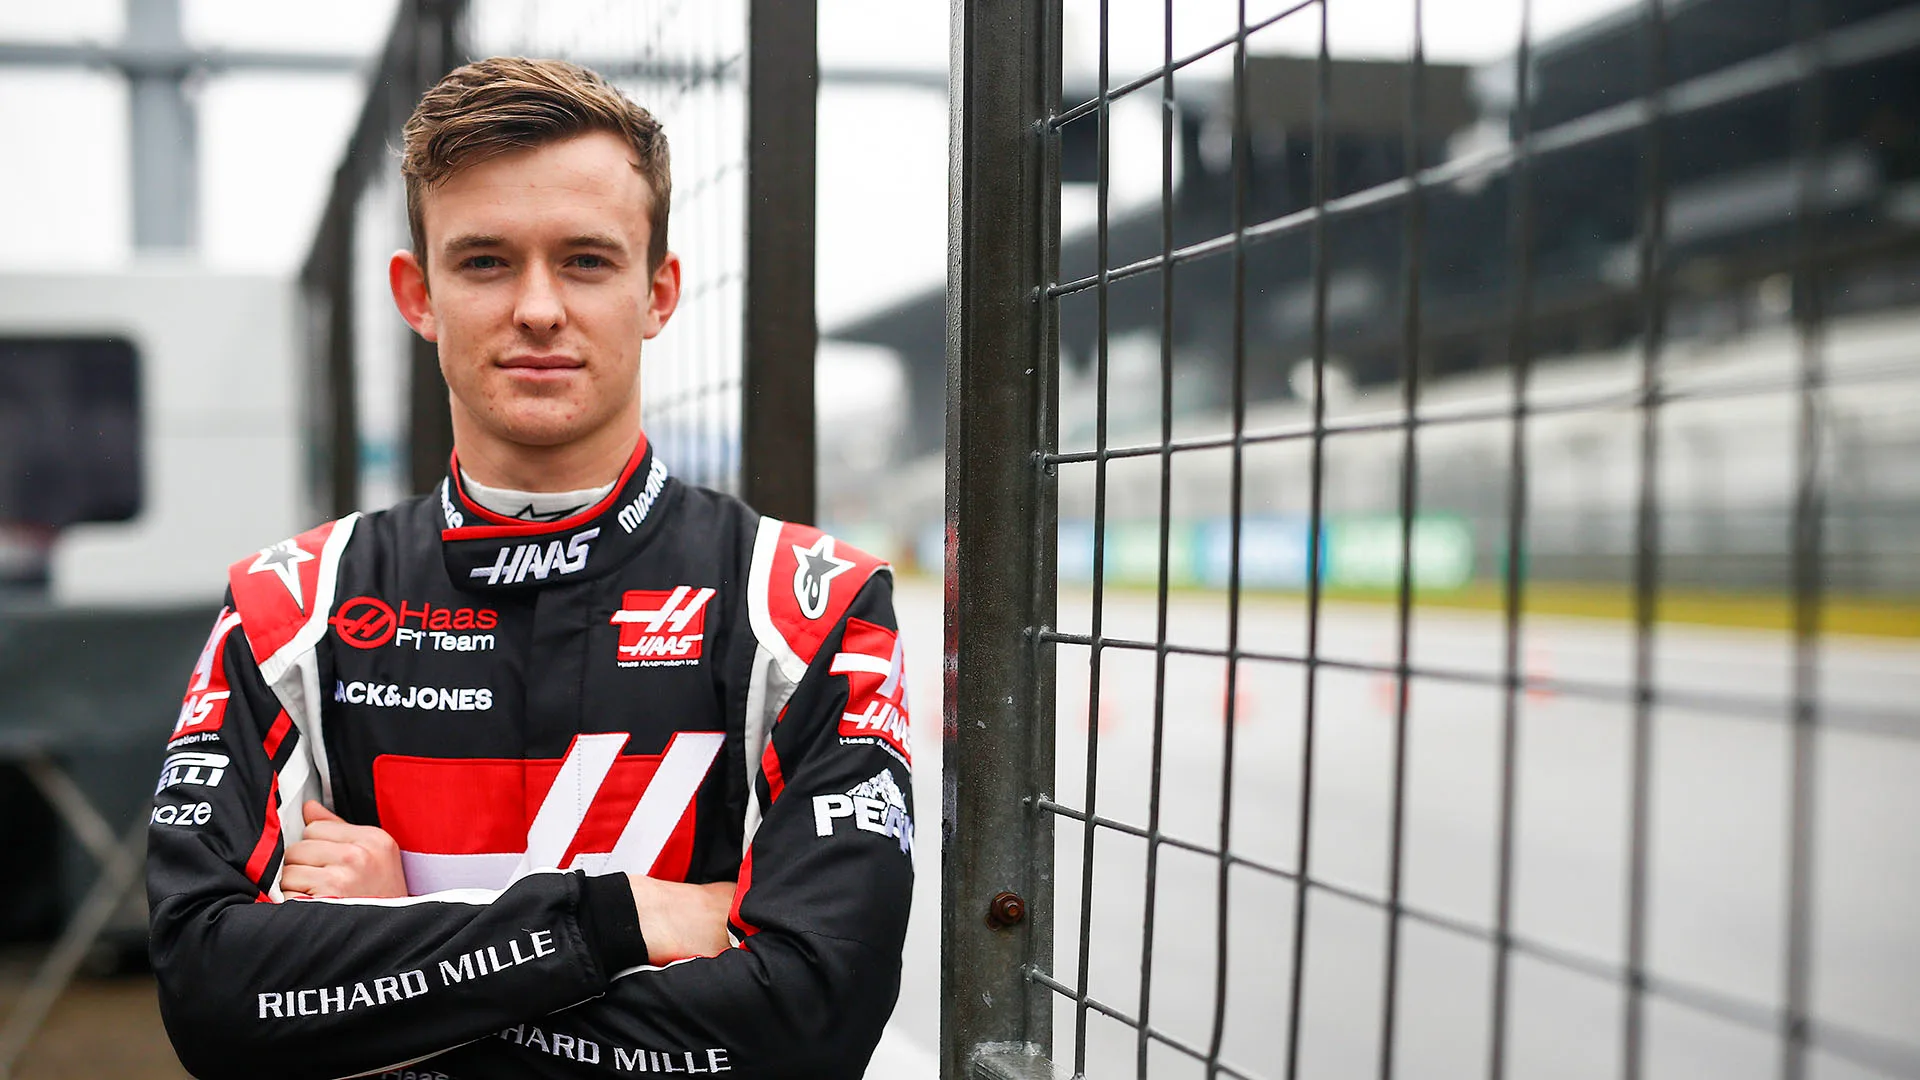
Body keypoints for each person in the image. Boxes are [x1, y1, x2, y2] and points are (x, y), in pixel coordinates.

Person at [145, 57, 914, 1080]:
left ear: (658, 291)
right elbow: (211, 997)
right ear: (419, 296)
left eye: (588, 260)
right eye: (487, 262)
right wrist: (620, 919)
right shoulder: (286, 609)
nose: (540, 307)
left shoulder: (812, 609)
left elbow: (809, 1023)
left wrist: (393, 970)